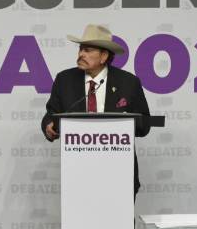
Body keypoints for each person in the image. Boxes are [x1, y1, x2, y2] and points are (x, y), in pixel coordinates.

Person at [42, 24, 151, 195]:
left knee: (119, 222)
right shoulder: (64, 80)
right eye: (80, 49)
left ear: (104, 56)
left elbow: (144, 124)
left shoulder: (128, 83)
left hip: (119, 173)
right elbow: (50, 114)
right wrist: (49, 126)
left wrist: (123, 124)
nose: (81, 54)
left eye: (88, 50)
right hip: (77, 174)